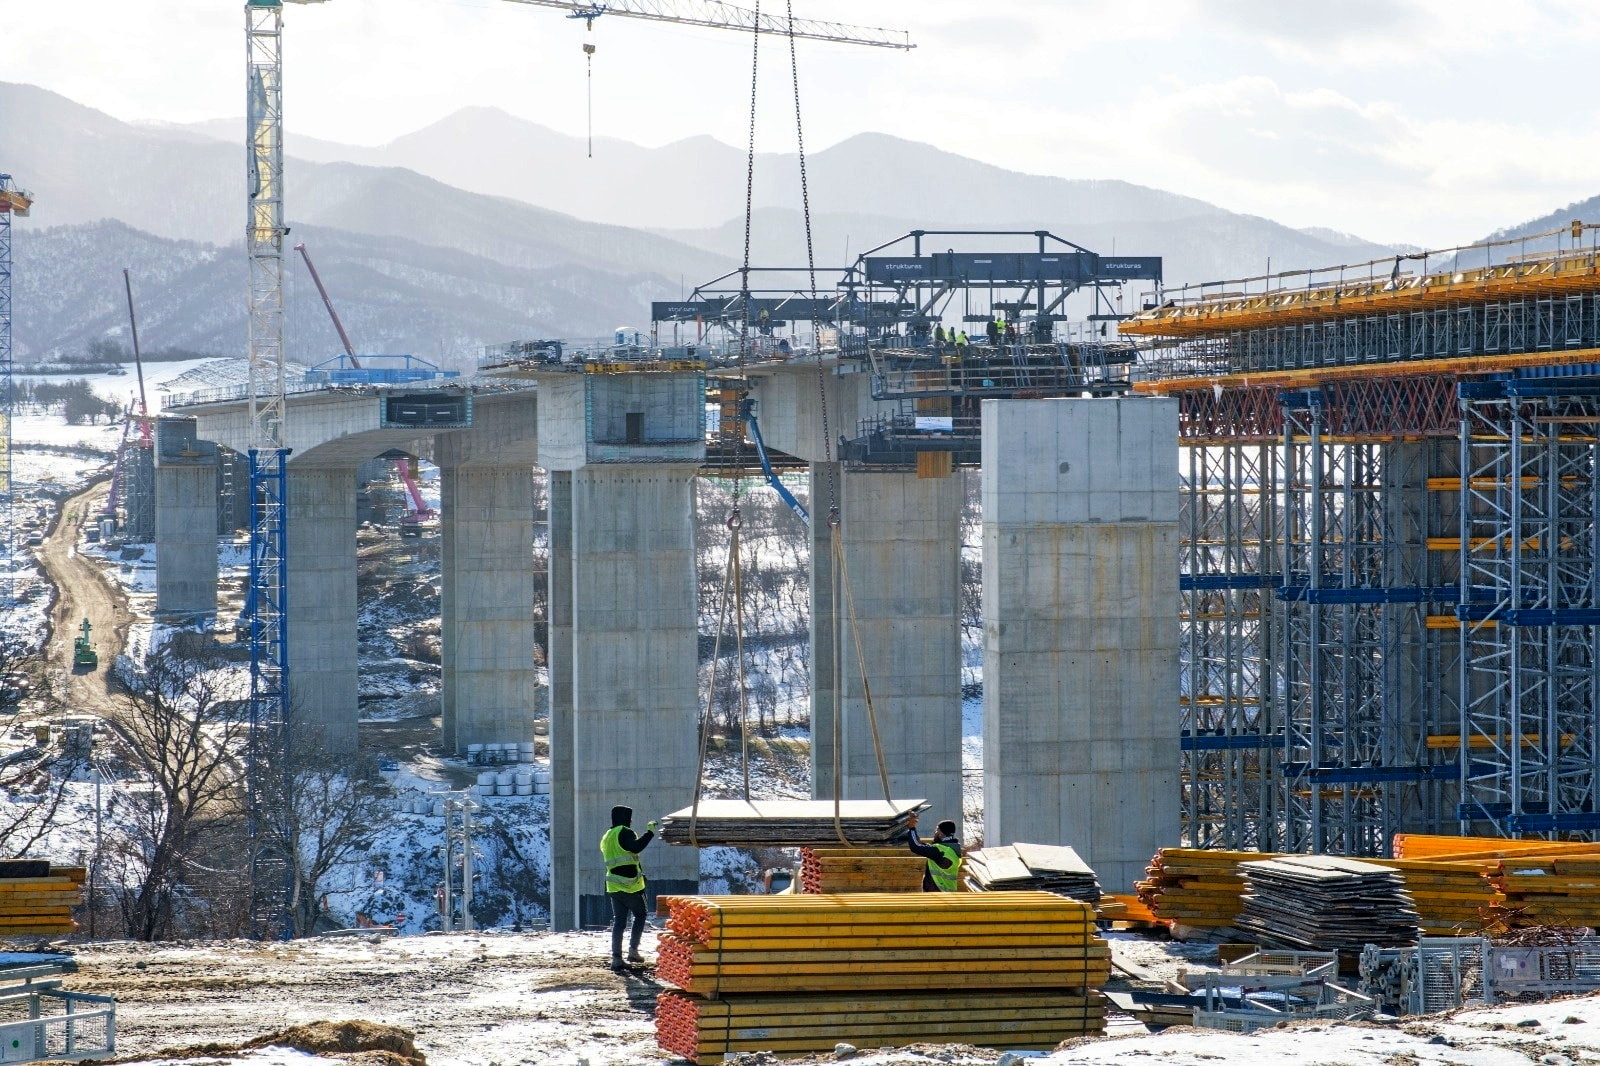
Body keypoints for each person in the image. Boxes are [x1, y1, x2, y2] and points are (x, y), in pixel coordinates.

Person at [600, 804, 657, 971]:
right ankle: (633, 951)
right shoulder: (625, 832)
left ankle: (616, 958)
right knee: (640, 914)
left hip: (613, 885)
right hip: (630, 885)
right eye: (629, 817)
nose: (631, 821)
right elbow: (636, 847)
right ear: (625, 818)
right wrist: (650, 832)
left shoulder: (607, 836)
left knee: (619, 922)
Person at [902, 813, 962, 892]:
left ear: (941, 833)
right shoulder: (951, 850)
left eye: (937, 830)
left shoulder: (939, 851)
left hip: (938, 896)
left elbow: (915, 847)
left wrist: (912, 828)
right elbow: (925, 847)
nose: (935, 832)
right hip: (949, 895)